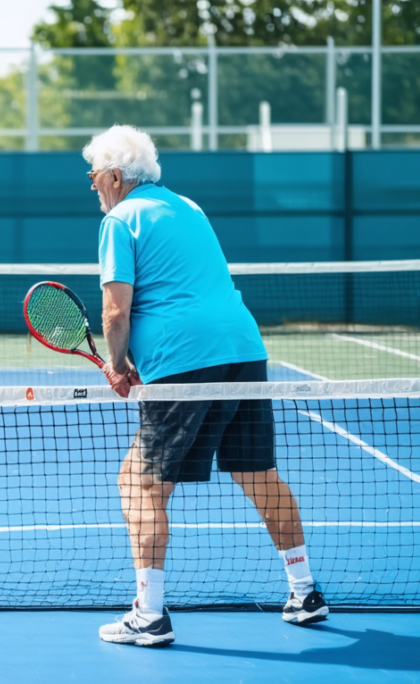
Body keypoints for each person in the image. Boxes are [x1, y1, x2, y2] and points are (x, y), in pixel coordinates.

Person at [86, 125, 328, 647]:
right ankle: (305, 591)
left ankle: (148, 614)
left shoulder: (119, 219)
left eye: (93, 175)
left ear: (114, 175)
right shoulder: (188, 207)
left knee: (141, 484)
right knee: (258, 473)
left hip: (183, 360)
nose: (91, 186)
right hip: (243, 349)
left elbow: (114, 310)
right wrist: (129, 363)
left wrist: (118, 364)